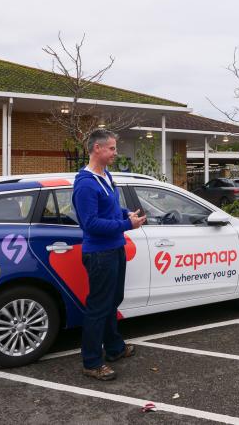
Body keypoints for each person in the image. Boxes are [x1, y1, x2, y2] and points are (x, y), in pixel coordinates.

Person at [72, 129, 146, 381]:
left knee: (113, 301)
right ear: (97, 149)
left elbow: (110, 207)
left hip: (115, 249)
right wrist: (128, 226)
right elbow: (90, 223)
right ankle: (91, 362)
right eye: (112, 148)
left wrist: (125, 213)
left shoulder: (105, 175)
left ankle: (114, 348)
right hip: (99, 253)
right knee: (98, 308)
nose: (116, 153)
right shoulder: (85, 184)